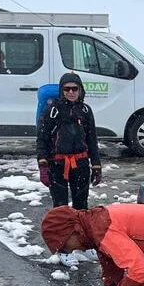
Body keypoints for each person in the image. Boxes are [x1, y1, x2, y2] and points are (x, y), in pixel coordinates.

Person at [37, 72, 103, 211]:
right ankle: (62, 232)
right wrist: (43, 165)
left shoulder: (85, 110)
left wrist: (96, 166)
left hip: (81, 164)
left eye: (75, 89)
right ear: (62, 90)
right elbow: (42, 139)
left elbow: (92, 140)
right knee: (60, 208)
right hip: (57, 164)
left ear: (80, 90)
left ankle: (79, 232)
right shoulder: (52, 110)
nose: (71, 92)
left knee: (81, 207)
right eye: (67, 89)